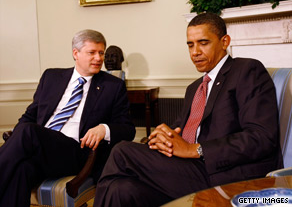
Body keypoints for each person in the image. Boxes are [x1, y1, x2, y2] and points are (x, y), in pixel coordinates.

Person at [93, 13, 283, 207]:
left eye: (203, 43)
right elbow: (180, 130)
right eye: (190, 45)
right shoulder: (194, 88)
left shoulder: (246, 70)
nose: (195, 52)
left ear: (224, 41)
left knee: (122, 151)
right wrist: (163, 136)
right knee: (121, 189)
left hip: (227, 176)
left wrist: (196, 149)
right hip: (190, 172)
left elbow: (261, 137)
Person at [0, 29, 135, 207]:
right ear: (75, 53)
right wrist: (17, 142)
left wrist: (104, 129)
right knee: (21, 169)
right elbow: (29, 115)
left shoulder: (113, 86)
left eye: (101, 53)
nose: (99, 58)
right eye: (92, 52)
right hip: (40, 148)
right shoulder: (51, 77)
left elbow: (128, 128)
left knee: (28, 131)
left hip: (75, 152)